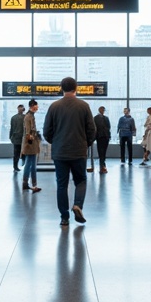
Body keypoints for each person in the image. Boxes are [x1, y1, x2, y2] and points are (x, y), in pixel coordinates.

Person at [43, 77, 96, 227]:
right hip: (79, 151)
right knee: (80, 180)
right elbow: (92, 130)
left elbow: (47, 131)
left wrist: (57, 142)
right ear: (76, 88)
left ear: (61, 88)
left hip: (60, 152)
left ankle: (64, 217)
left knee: (61, 184)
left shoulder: (54, 106)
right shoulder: (84, 106)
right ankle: (78, 204)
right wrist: (85, 143)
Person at [20, 100, 42, 193]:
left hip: (31, 143)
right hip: (30, 144)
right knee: (30, 164)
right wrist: (31, 140)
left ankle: (31, 184)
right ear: (32, 106)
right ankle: (29, 184)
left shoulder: (31, 116)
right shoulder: (28, 117)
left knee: (32, 164)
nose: (37, 107)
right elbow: (28, 132)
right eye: (36, 106)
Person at [93, 106, 112, 173]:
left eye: (103, 110)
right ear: (99, 110)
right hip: (99, 136)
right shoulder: (95, 118)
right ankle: (102, 163)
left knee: (104, 150)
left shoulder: (106, 118)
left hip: (106, 136)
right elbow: (94, 127)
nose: (102, 111)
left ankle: (103, 162)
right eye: (102, 109)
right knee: (101, 150)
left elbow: (109, 127)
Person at [10, 104, 26, 172]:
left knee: (16, 153)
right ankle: (22, 164)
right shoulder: (25, 117)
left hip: (16, 137)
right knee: (22, 152)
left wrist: (10, 137)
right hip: (22, 138)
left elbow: (12, 128)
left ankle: (15, 166)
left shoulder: (13, 117)